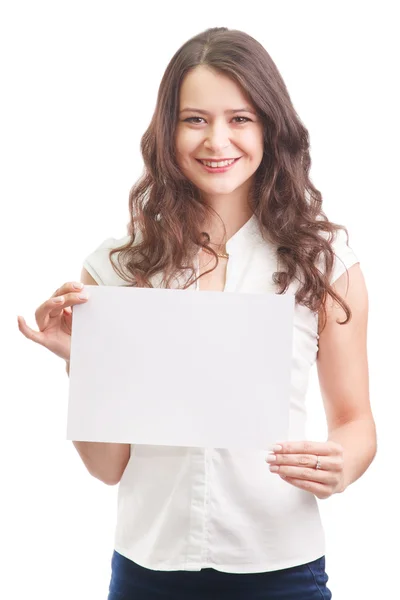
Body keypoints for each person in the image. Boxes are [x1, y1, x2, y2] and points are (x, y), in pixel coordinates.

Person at [17, 26, 377, 600]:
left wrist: (343, 464)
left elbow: (356, 420)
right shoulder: (116, 268)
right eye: (194, 119)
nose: (217, 140)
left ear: (270, 127)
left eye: (240, 118)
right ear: (168, 131)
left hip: (281, 567)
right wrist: (83, 361)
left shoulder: (324, 264)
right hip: (148, 568)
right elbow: (107, 468)